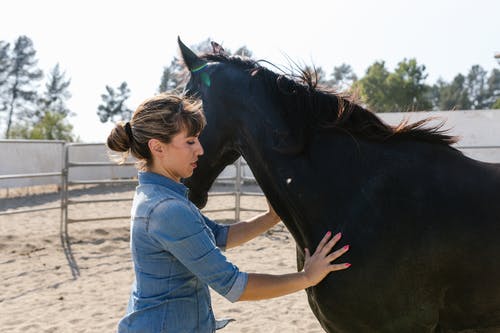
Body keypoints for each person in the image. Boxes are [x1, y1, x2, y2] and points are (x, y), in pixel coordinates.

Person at [107, 93, 351, 333]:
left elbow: (219, 236)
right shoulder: (167, 210)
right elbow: (234, 285)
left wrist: (270, 217)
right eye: (190, 141)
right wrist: (307, 278)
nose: (200, 150)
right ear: (157, 147)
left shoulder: (160, 196)